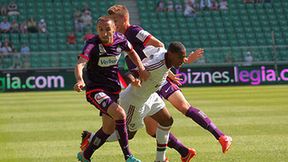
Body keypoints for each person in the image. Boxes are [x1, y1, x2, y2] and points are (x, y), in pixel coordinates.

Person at [105, 4, 232, 155]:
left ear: (124, 18)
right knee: (152, 129)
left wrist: (166, 71)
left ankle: (221, 136)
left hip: (156, 78)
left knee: (184, 107)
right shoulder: (120, 38)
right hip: (147, 84)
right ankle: (183, 152)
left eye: (115, 20)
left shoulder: (134, 31)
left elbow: (159, 45)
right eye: (111, 20)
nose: (113, 23)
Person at [74, 16, 149, 162]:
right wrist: (80, 80)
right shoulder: (92, 44)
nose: (104, 33)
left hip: (113, 89)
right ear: (97, 30)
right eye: (101, 30)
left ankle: (85, 156)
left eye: (108, 29)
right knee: (120, 114)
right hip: (95, 90)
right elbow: (80, 63)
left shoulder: (120, 40)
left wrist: (141, 68)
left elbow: (132, 52)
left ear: (114, 29)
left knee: (108, 129)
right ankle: (128, 156)